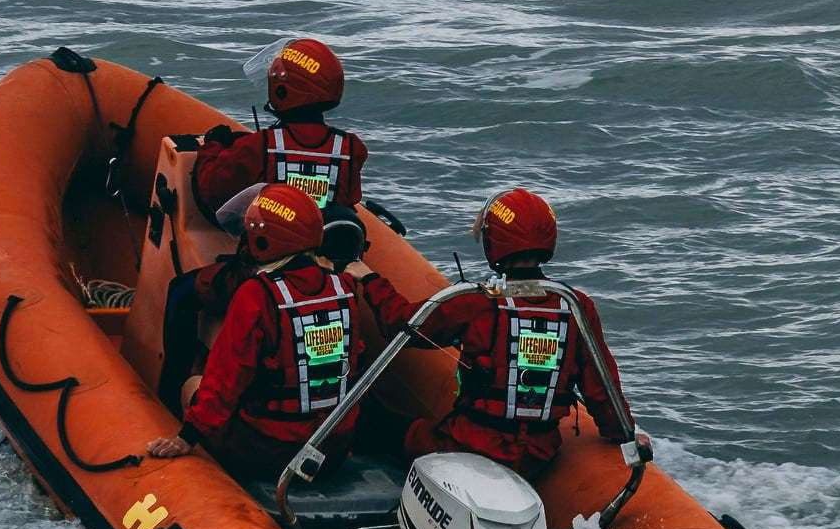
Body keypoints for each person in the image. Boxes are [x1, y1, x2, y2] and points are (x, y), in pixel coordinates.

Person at [146, 184, 409, 475]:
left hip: (268, 450)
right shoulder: (344, 286)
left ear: (261, 240)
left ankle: (208, 479)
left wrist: (186, 438)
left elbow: (226, 378)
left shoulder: (257, 294)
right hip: (332, 447)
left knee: (192, 386)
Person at [401, 188, 638, 479]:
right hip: (537, 455)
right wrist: (623, 433)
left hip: (470, 444)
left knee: (408, 431)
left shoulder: (477, 303)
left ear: (494, 241)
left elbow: (402, 325)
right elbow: (602, 389)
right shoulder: (574, 306)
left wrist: (368, 279)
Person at [192, 37, 369, 217]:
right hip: (328, 240)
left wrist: (212, 145)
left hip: (275, 242)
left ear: (282, 90)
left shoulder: (259, 146)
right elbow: (348, 198)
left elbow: (211, 188)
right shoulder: (351, 148)